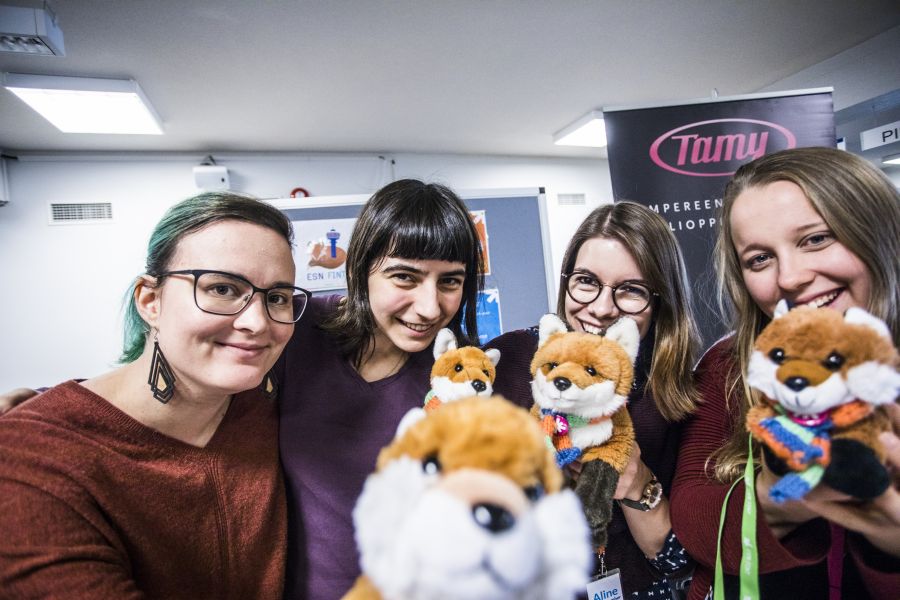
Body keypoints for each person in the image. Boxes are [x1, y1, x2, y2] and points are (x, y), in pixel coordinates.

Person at [0, 192, 305, 597]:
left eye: (277, 297)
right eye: (222, 289)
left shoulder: (264, 405)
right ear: (150, 300)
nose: (257, 322)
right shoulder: (33, 462)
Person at [670, 147, 900, 599]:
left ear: (877, 232)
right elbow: (693, 517)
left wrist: (888, 546)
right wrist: (781, 497)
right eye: (759, 259)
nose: (791, 277)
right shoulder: (729, 367)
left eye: (816, 239)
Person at [274, 179, 485, 599]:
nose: (429, 308)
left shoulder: (458, 381)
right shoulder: (295, 329)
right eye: (404, 277)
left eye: (450, 282)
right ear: (360, 269)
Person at [486, 200, 701, 597]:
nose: (601, 309)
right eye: (585, 281)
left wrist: (637, 484)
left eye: (631, 290)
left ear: (660, 301)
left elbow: (678, 563)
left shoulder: (673, 393)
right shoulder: (511, 364)